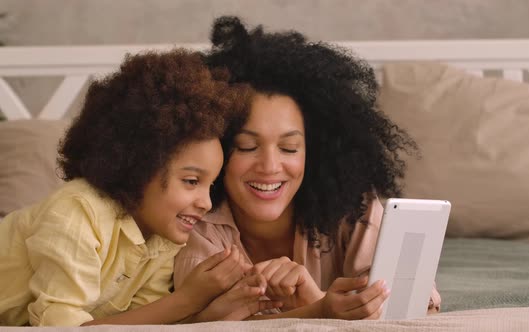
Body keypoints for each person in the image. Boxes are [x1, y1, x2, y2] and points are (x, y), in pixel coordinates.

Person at [174, 16, 441, 320]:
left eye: (289, 148)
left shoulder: (352, 207)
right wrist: (319, 311)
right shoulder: (198, 226)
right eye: (247, 147)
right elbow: (202, 324)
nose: (271, 167)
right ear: (218, 150)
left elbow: (415, 304)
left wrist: (317, 303)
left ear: (314, 152)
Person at [0, 48, 276, 326]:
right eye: (191, 181)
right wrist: (187, 300)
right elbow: (62, 328)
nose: (205, 202)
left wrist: (213, 308)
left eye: (210, 184)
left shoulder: (162, 239)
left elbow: (141, 324)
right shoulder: (77, 214)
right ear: (139, 166)